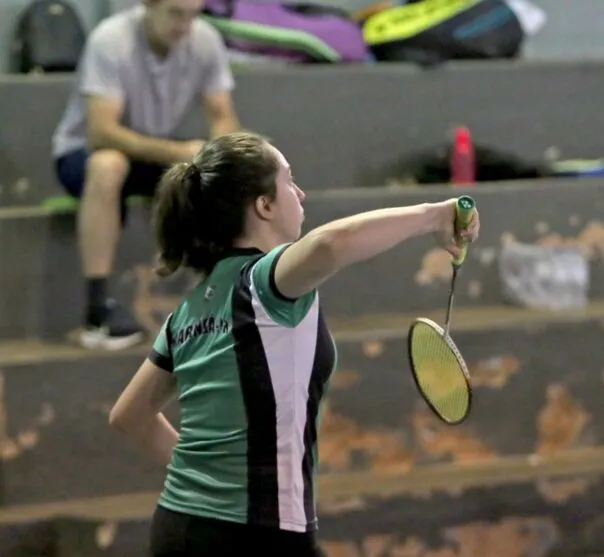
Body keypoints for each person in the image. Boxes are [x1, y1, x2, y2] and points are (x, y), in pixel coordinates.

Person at [107, 131, 480, 557]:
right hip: (257, 534)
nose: (300, 192)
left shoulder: (188, 310)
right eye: (288, 180)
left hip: (179, 525)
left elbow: (129, 415)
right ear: (264, 205)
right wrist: (434, 215)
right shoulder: (261, 283)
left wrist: (209, 482)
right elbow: (331, 243)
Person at [51, 0, 240, 351]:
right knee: (110, 164)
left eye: (192, 14)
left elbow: (223, 117)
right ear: (148, 6)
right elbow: (102, 132)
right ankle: (98, 311)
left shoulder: (205, 40)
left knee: (222, 167)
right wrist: (180, 152)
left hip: (153, 152)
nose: (184, 25)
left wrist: (223, 155)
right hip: (84, 154)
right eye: (175, 13)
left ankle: (225, 299)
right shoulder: (111, 40)